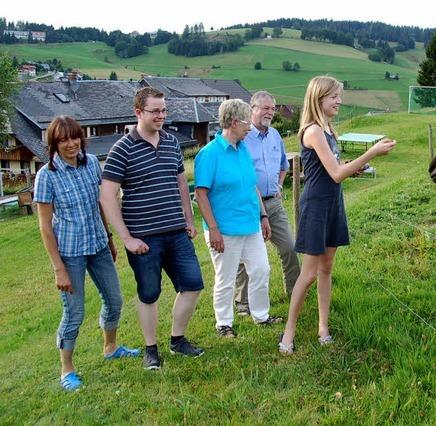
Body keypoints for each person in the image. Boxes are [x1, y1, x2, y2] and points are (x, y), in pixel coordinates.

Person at [278, 76, 396, 354]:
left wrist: (354, 167)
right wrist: (372, 153)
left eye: (339, 96)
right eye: (334, 97)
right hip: (316, 207)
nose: (339, 101)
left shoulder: (330, 130)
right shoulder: (313, 132)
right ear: (318, 98)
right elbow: (336, 173)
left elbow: (336, 167)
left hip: (333, 204)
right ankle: (288, 333)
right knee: (307, 275)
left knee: (327, 268)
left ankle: (323, 327)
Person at [100, 87, 204, 370]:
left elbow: (182, 184)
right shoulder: (122, 149)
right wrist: (127, 238)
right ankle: (150, 349)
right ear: (138, 112)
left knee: (193, 285)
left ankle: (177, 339)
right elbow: (107, 196)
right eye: (155, 111)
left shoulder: (171, 142)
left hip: (176, 231)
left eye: (163, 110)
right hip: (143, 237)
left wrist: (189, 219)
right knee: (149, 293)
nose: (161, 116)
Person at [34, 115, 140, 391]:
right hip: (70, 254)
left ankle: (110, 347)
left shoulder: (92, 163)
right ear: (54, 144)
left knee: (115, 300)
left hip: (98, 247)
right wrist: (59, 268)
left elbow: (101, 205)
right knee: (74, 312)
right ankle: (66, 369)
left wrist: (109, 238)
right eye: (63, 140)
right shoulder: (47, 176)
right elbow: (45, 227)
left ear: (82, 138)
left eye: (74, 137)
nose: (71, 144)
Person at [194, 99, 282, 339]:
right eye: (246, 123)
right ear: (234, 123)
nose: (250, 128)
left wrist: (263, 215)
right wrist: (213, 229)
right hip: (224, 229)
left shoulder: (243, 149)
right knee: (226, 277)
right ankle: (224, 322)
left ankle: (261, 315)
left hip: (250, 223)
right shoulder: (209, 154)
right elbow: (200, 194)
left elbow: (252, 186)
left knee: (262, 270)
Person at [234, 91, 300, 316]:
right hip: (249, 205)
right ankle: (242, 304)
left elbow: (284, 165)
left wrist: (279, 185)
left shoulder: (275, 136)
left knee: (289, 247)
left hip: (273, 203)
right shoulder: (242, 137)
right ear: (252, 109)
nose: (270, 112)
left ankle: (295, 292)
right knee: (245, 255)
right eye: (265, 108)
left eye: (272, 108)